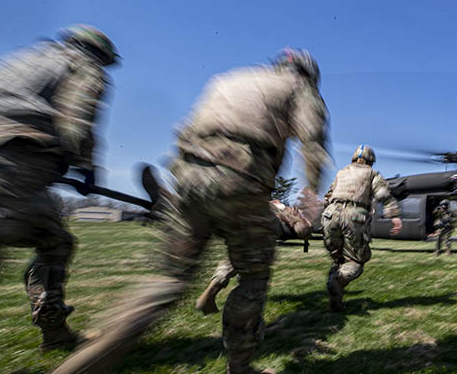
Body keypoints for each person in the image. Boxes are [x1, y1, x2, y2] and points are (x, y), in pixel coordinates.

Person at [52, 48, 330, 374]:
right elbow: (313, 142)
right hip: (240, 178)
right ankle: (240, 367)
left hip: (187, 173)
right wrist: (312, 191)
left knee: (168, 281)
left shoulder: (232, 77)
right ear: (307, 73)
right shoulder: (300, 87)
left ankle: (89, 359)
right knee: (253, 278)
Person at [0, 25, 118, 351]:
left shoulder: (22, 60)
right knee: (56, 242)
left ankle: (57, 334)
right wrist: (87, 166)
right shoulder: (83, 65)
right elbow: (78, 119)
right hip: (13, 166)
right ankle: (55, 331)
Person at [196, 200, 313, 315]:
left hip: (243, 222)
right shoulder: (287, 210)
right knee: (255, 274)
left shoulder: (261, 203)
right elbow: (302, 230)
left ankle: (210, 293)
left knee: (233, 259)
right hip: (262, 229)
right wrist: (306, 226)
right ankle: (240, 314)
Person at [322, 144, 402, 312]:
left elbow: (328, 196)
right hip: (354, 216)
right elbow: (383, 194)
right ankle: (337, 281)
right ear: (371, 160)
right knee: (356, 260)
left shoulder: (341, 173)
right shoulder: (372, 173)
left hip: (330, 215)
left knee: (339, 259)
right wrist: (394, 216)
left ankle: (335, 303)